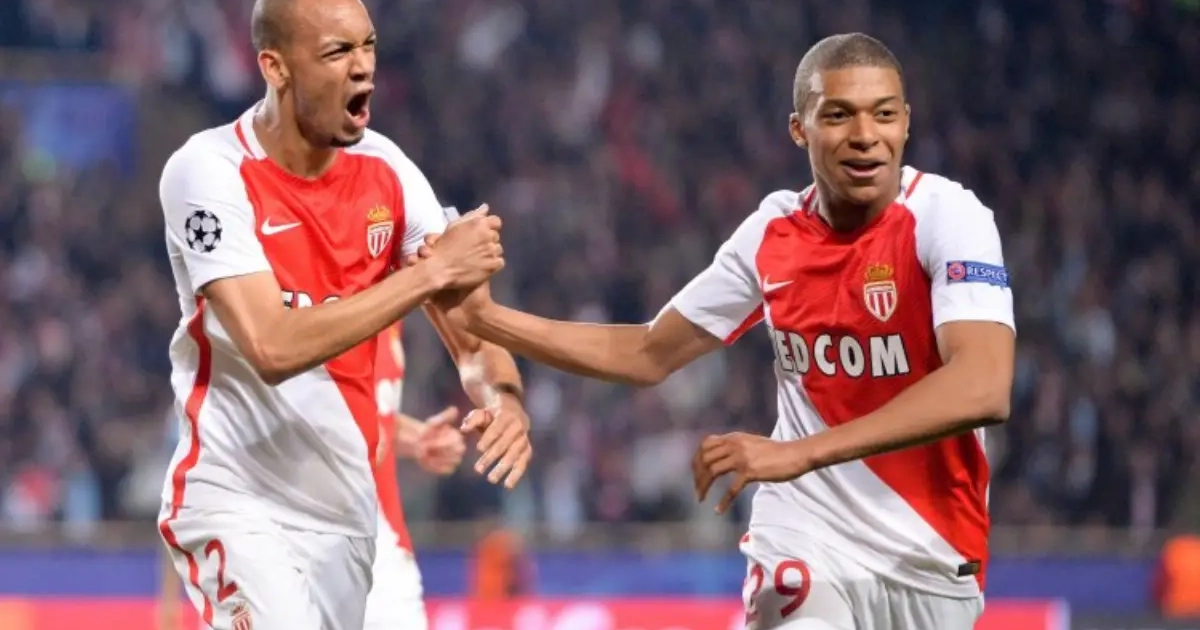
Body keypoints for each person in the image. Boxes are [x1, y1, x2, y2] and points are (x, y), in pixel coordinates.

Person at [416, 33, 1015, 630]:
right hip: (807, 536)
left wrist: (798, 453)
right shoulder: (772, 233)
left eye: (883, 114)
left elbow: (982, 387)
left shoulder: (948, 217)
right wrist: (487, 320)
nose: (865, 135)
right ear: (799, 129)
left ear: (906, 122)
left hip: (932, 554)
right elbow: (648, 351)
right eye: (838, 115)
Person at [155, 0, 533, 628]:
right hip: (236, 495)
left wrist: (504, 398)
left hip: (346, 516)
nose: (363, 68)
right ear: (275, 67)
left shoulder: (389, 173)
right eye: (337, 52)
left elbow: (472, 331)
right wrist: (429, 273)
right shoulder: (208, 172)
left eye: (368, 46)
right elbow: (271, 347)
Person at [363, 321, 465, 630]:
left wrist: (415, 437)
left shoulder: (390, 316)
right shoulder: (308, 303)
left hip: (382, 548)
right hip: (302, 541)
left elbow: (372, 410)